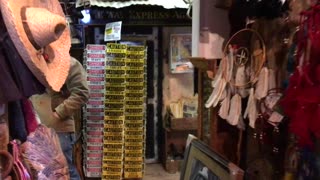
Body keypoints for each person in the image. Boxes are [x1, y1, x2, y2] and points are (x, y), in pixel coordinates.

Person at [47, 57, 89, 179]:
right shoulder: (37, 61)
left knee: (65, 169)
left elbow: (82, 93)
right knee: (48, 170)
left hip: (60, 126)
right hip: (40, 124)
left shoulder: (69, 63)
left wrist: (59, 113)